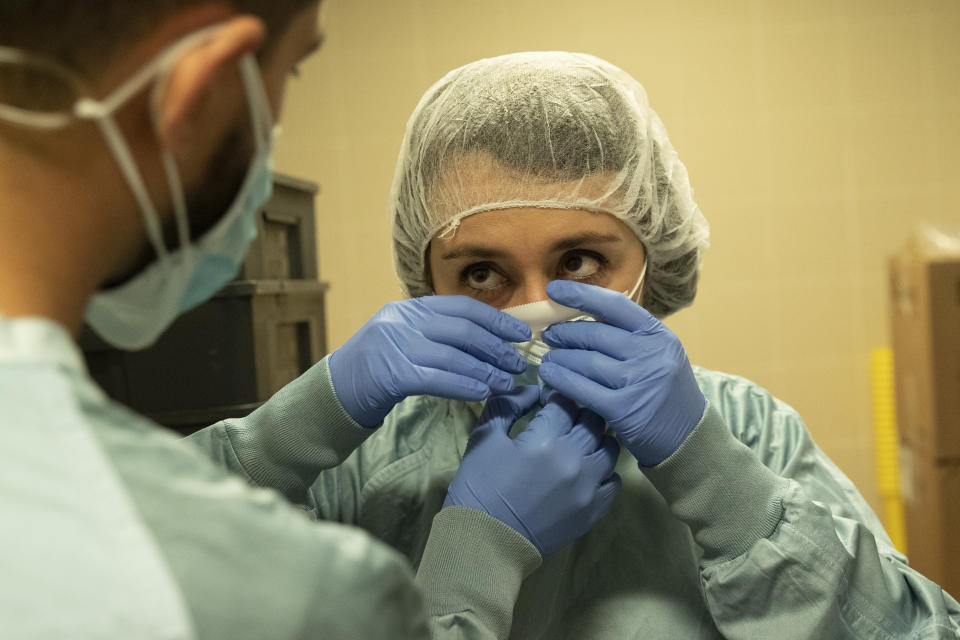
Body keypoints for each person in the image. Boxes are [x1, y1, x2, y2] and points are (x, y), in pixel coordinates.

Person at [0, 4, 620, 636]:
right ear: (200, 90)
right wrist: (479, 551)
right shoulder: (304, 581)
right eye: (293, 69)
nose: (536, 308)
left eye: (580, 259)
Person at [301, 52, 960, 638]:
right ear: (426, 286)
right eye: (482, 274)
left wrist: (713, 478)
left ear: (655, 257)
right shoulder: (366, 471)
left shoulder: (747, 433)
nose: (537, 309)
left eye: (581, 261)